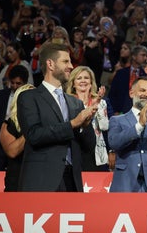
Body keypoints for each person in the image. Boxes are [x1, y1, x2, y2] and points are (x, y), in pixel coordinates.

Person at [17, 42, 98, 192]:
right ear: (50, 64)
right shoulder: (28, 97)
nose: (71, 66)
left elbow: (89, 147)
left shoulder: (75, 103)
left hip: (72, 182)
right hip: (42, 181)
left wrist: (84, 127)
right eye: (66, 61)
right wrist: (73, 124)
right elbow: (34, 135)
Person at [0, 65, 29, 171]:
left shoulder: (31, 98)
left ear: (25, 83)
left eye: (18, 83)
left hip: (18, 143)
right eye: (12, 83)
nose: (14, 86)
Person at [65, 66, 109, 171]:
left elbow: (105, 126)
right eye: (79, 78)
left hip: (96, 152)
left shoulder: (101, 102)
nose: (83, 81)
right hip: (74, 148)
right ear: (73, 83)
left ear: (91, 82)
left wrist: (97, 105)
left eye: (86, 78)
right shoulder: (67, 102)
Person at [0, 84, 34, 191]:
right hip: (17, 181)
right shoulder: (9, 124)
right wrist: (32, 129)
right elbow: (12, 151)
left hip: (39, 180)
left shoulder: (45, 123)